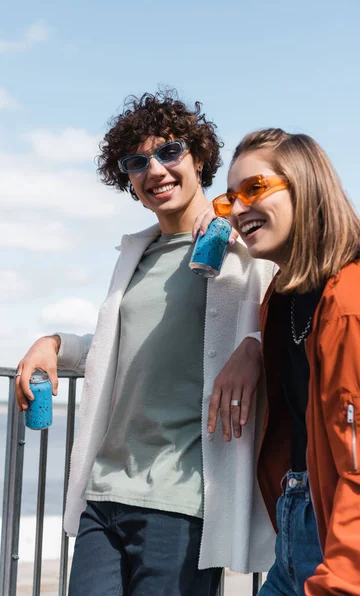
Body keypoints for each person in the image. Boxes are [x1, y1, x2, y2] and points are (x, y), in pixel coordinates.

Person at [15, 91, 276, 596]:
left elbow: (294, 316)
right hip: (106, 491)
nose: (154, 169)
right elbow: (125, 349)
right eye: (137, 162)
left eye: (169, 152)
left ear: (199, 157)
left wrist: (253, 345)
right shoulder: (137, 254)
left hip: (183, 499)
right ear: (129, 182)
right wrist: (53, 343)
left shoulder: (247, 245)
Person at [205, 128, 360, 595]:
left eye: (255, 188)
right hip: (295, 524)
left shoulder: (349, 301)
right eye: (229, 199)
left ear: (306, 184)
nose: (238, 208)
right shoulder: (281, 299)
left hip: (339, 541)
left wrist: (340, 577)